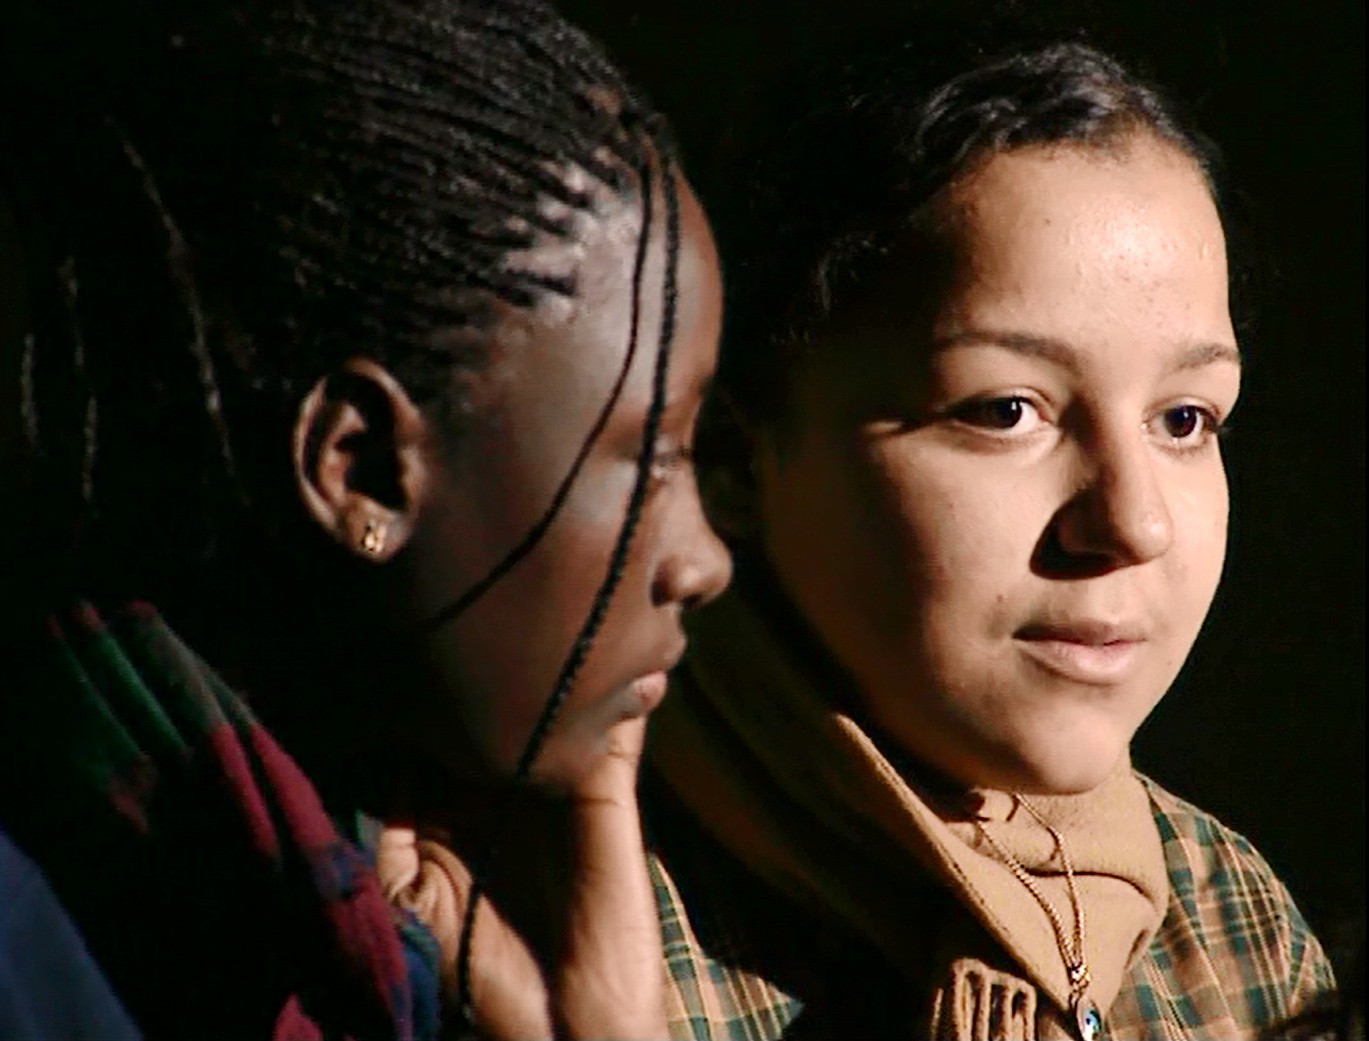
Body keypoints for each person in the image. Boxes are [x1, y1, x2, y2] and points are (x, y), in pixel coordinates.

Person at [0, 0, 728, 1037]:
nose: (704, 562)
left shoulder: (365, 942)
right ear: (360, 472)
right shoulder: (49, 945)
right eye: (649, 459)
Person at [643, 33, 1338, 1040]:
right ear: (733, 457)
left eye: (1185, 420)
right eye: (1004, 409)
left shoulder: (1231, 923)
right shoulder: (540, 924)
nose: (1131, 524)